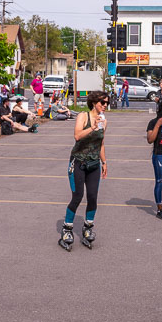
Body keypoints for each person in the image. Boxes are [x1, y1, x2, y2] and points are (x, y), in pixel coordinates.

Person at [59, 91, 109, 251]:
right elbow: (77, 136)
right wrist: (92, 127)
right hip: (78, 163)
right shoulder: (83, 116)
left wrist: (104, 162)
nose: (105, 106)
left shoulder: (104, 121)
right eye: (103, 103)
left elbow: (101, 143)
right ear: (94, 103)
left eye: (107, 103)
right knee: (78, 196)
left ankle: (87, 228)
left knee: (93, 197)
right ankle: (67, 230)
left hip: (94, 164)